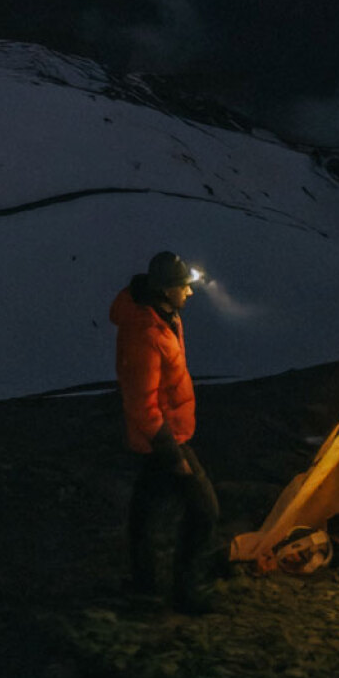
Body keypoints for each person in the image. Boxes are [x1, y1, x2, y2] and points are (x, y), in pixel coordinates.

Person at [109, 249, 220, 612]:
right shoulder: (145, 332)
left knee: (145, 509)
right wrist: (173, 454)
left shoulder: (164, 317)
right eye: (183, 287)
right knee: (204, 511)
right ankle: (184, 592)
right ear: (165, 290)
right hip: (163, 439)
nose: (189, 293)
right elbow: (142, 404)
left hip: (163, 435)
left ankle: (145, 584)